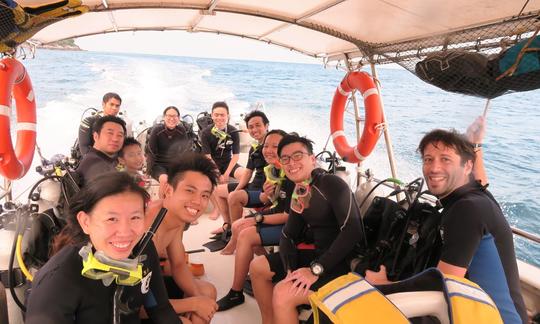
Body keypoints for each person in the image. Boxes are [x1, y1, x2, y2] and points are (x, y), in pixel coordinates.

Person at [366, 117, 527, 324]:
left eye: (445, 159)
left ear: (467, 167)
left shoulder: (466, 209)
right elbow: (481, 181)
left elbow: (443, 281)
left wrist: (386, 285)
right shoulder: (477, 197)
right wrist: (475, 144)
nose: (434, 168)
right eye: (428, 159)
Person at [25, 172, 181, 324]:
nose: (125, 232)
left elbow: (160, 309)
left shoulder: (144, 252)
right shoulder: (58, 279)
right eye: (112, 219)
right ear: (85, 222)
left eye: (135, 217)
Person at [249, 134, 363, 324]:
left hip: (343, 264)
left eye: (297, 156)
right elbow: (287, 234)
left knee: (283, 292)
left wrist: (316, 269)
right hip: (319, 258)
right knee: (258, 267)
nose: (291, 163)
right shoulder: (301, 190)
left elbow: (353, 230)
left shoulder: (332, 184)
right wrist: (290, 269)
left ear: (312, 159)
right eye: (285, 158)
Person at [216, 129, 295, 311]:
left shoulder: (291, 172)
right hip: (279, 214)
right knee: (239, 226)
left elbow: (288, 214)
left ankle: (236, 292)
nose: (268, 150)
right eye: (266, 145)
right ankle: (263, 268)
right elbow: (273, 200)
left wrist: (257, 219)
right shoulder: (275, 170)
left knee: (245, 234)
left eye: (275, 146)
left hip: (292, 225)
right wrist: (268, 194)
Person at [145, 153, 220, 324]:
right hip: (124, 308)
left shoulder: (175, 217)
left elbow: (178, 264)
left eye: (204, 195)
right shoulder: (147, 230)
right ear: (169, 190)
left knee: (207, 292)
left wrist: (198, 297)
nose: (197, 202)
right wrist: (193, 303)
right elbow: (134, 305)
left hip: (150, 288)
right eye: (190, 191)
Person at [209, 110, 269, 229]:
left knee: (233, 197)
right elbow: (248, 172)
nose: (254, 130)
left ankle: (236, 231)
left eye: (258, 125)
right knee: (218, 190)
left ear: (266, 126)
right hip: (254, 186)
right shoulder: (254, 147)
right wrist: (238, 189)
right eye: (251, 127)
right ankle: (227, 225)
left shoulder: (273, 146)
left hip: (265, 191)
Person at [147, 106, 196, 180]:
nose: (172, 119)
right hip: (158, 165)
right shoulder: (157, 130)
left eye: (174, 116)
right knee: (164, 179)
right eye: (169, 116)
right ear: (164, 117)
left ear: (178, 118)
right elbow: (151, 152)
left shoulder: (181, 130)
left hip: (174, 164)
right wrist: (148, 171)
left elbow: (185, 151)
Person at [76, 115, 125, 186]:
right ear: (96, 136)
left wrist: (122, 165)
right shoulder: (96, 165)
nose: (115, 139)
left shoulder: (105, 158)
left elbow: (117, 170)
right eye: (110, 133)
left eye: (120, 135)